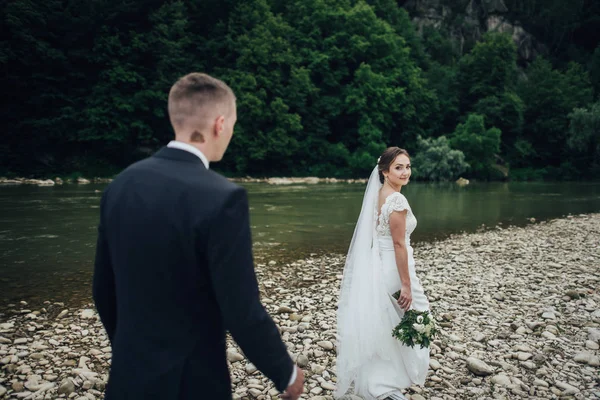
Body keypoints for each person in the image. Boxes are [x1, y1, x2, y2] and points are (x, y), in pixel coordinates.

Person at [93, 72, 304, 400]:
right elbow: (241, 308)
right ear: (220, 124)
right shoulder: (223, 197)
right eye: (232, 124)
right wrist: (284, 371)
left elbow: (103, 289)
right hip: (191, 384)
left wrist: (130, 350)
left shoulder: (120, 186)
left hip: (128, 378)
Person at [335, 147, 430, 400]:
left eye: (408, 166)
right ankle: (388, 384)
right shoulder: (397, 200)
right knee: (418, 317)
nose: (405, 172)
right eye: (398, 167)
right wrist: (407, 285)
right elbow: (399, 244)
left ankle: (378, 384)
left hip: (381, 264)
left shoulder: (379, 195)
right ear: (385, 171)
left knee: (387, 323)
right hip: (395, 267)